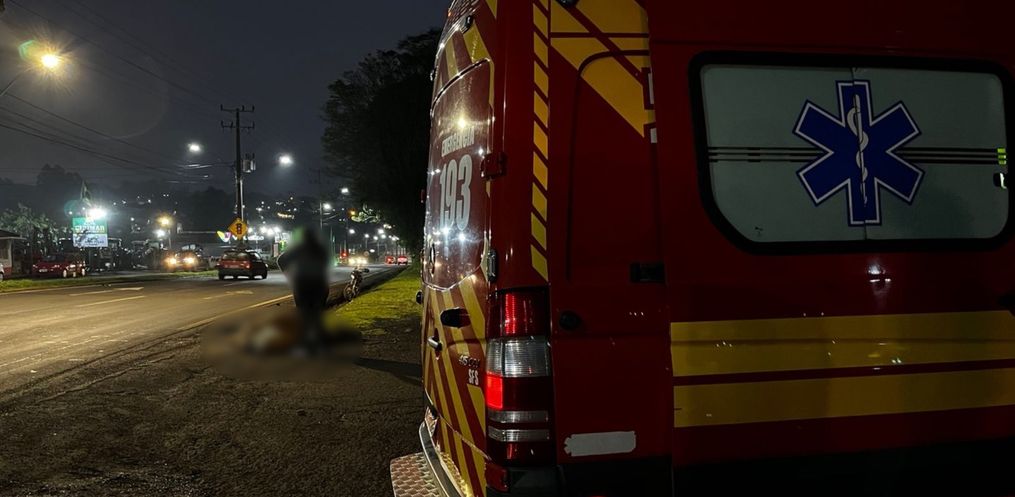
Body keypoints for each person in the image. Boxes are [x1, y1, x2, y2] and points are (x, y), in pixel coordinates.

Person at [277, 228, 331, 351]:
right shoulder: (320, 250)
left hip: (302, 285)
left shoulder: (297, 250)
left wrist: (288, 274)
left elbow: (281, 260)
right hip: (319, 285)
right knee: (317, 313)